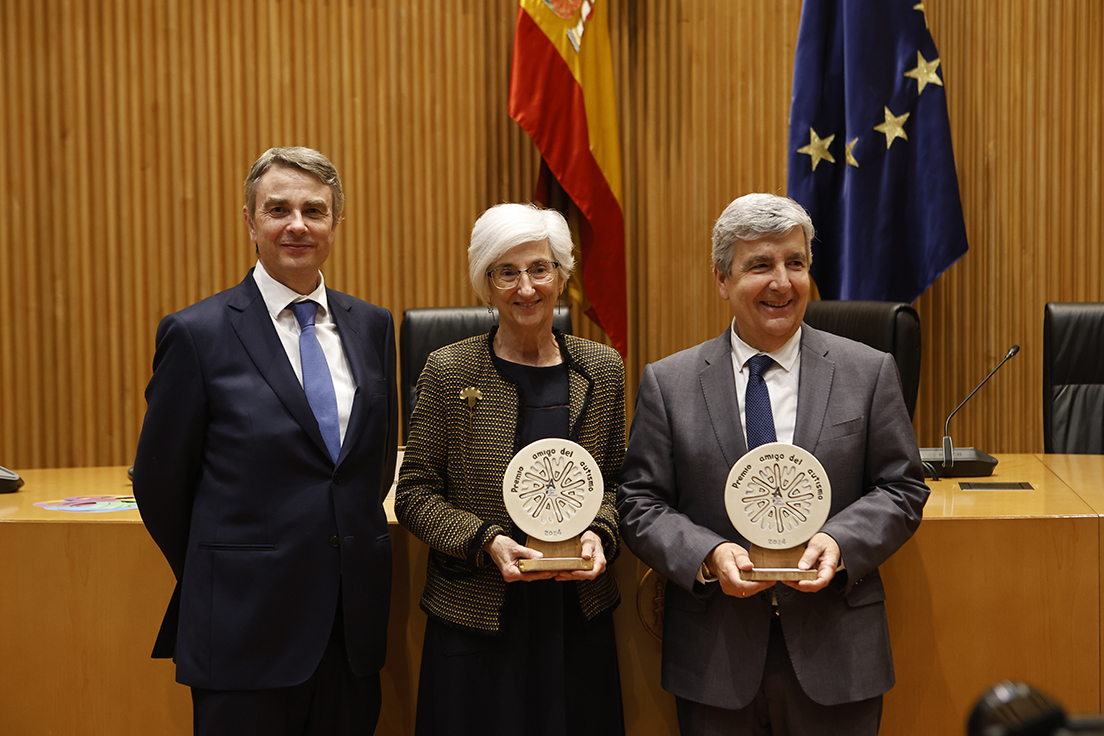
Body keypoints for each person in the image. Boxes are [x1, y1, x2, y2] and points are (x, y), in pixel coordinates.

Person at [617, 193, 929, 735]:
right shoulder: (669, 384)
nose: (781, 282)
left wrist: (841, 542)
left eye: (795, 263)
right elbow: (639, 502)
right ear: (722, 279)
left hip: (838, 653)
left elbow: (901, 487)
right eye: (760, 265)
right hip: (715, 659)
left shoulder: (869, 371)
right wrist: (708, 554)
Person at [133, 147, 398, 735]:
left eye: (314, 210)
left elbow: (371, 468)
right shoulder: (196, 334)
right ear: (251, 222)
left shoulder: (372, 325)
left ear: (335, 223)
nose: (297, 224)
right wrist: (229, 566)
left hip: (348, 631)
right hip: (243, 629)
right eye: (278, 209)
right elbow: (158, 483)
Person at [395, 203, 625, 736]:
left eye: (540, 269)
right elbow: (415, 493)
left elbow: (615, 482)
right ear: (487, 283)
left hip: (576, 613)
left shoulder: (602, 369)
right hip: (476, 616)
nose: (526, 287)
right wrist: (485, 540)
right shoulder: (449, 370)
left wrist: (602, 534)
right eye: (507, 272)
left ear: (562, 276)